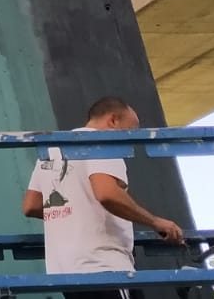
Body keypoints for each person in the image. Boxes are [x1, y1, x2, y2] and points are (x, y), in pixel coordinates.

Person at [23, 96, 186, 299]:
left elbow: (31, 205)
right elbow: (107, 194)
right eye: (130, 130)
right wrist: (155, 222)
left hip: (65, 272)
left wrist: (76, 211)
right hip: (104, 266)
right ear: (113, 121)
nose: (130, 140)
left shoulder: (52, 151)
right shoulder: (103, 143)